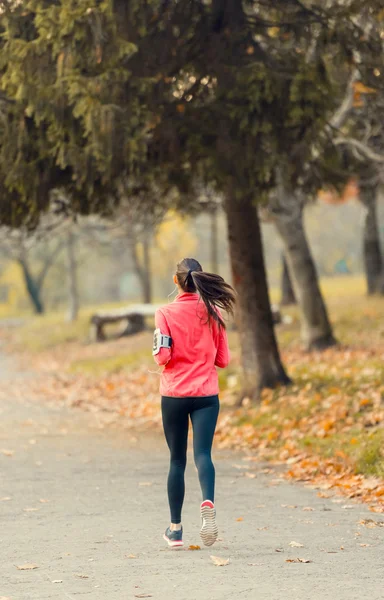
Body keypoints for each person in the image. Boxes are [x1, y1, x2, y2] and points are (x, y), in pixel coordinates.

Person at [152, 257, 236, 549]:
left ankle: (175, 530)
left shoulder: (164, 313)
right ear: (200, 280)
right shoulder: (213, 312)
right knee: (203, 454)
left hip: (174, 395)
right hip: (206, 395)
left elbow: (162, 357)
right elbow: (223, 360)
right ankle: (208, 503)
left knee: (177, 460)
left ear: (175, 281)